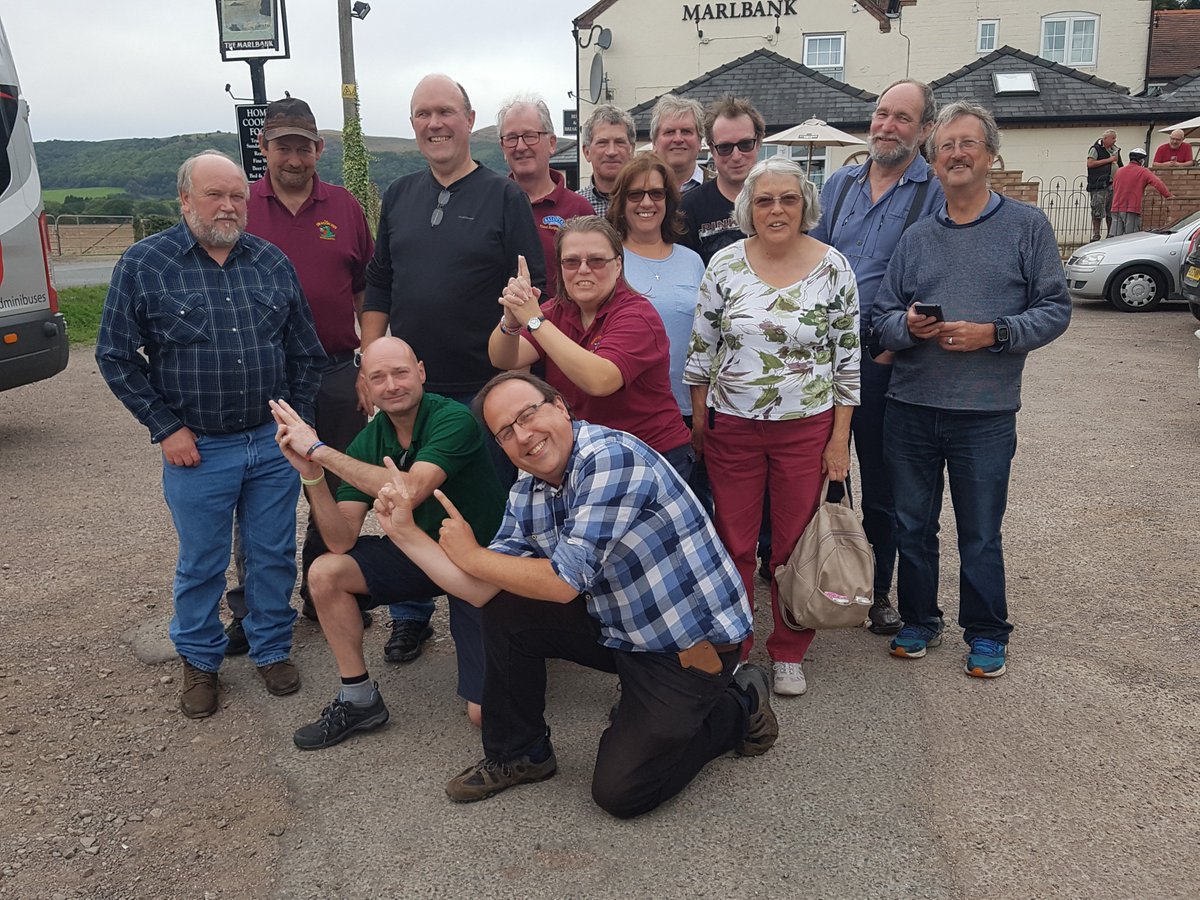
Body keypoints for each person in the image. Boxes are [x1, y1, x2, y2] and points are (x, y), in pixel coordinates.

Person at [373, 371, 778, 817]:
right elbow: (480, 588)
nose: (524, 436)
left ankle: (738, 704)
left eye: (529, 414)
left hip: (687, 647)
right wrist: (406, 535)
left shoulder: (609, 458)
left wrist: (470, 554)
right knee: (506, 605)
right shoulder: (527, 490)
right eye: (506, 432)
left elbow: (563, 583)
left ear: (561, 406)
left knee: (622, 793)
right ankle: (520, 754)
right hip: (621, 626)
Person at [96, 150, 325, 718]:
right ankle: (200, 659)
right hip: (197, 447)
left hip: (269, 445)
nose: (228, 206)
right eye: (214, 195)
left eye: (237, 196)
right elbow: (116, 356)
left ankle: (271, 647)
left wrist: (292, 423)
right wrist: (166, 427)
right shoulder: (145, 264)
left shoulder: (271, 262)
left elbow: (307, 355)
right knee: (202, 560)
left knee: (271, 555)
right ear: (185, 201)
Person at [225, 96, 432, 665]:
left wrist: (368, 360)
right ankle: (253, 607)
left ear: (319, 148)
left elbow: (367, 289)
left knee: (337, 485)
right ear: (263, 149)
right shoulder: (243, 205)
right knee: (262, 494)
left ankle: (324, 587)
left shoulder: (342, 206)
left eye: (304, 145)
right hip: (265, 374)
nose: (294, 156)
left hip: (337, 367)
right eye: (282, 145)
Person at [870, 101, 1071, 679]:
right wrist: (907, 328)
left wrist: (997, 333)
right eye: (946, 146)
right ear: (932, 162)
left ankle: (985, 631)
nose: (956, 154)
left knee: (980, 532)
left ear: (991, 155)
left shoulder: (1027, 227)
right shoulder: (916, 237)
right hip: (910, 406)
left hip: (984, 412)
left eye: (968, 144)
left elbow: (1055, 310)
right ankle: (919, 619)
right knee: (913, 525)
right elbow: (881, 317)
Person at [271, 338, 505, 746]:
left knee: (484, 714)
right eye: (378, 377)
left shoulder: (454, 418)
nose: (391, 384)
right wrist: (311, 473)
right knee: (326, 571)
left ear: (421, 372)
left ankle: (525, 638)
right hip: (420, 555)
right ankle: (359, 699)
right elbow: (341, 539)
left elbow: (409, 490)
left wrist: (321, 449)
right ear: (365, 385)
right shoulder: (367, 442)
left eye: (400, 372)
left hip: (480, 563)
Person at [684, 157, 860, 698]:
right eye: (764, 200)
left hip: (805, 428)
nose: (776, 209)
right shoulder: (724, 266)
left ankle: (788, 650)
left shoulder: (834, 268)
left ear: (805, 205)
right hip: (731, 426)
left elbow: (847, 361)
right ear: (748, 209)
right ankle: (735, 646)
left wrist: (838, 439)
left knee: (790, 546)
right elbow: (701, 350)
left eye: (787, 199)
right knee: (732, 542)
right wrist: (699, 420)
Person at [809, 79, 945, 636]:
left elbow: (936, 273)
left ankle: (879, 592)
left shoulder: (932, 191)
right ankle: (818, 573)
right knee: (822, 474)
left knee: (885, 485)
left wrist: (890, 346)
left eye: (903, 119)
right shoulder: (839, 184)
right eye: (882, 114)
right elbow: (812, 256)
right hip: (825, 355)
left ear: (925, 130)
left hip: (886, 359)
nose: (887, 126)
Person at [361, 73, 546, 409]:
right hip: (409, 391)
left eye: (446, 112)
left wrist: (516, 385)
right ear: (413, 123)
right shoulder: (397, 195)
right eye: (423, 114)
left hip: (485, 390)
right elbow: (380, 282)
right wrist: (370, 363)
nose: (434, 124)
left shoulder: (505, 197)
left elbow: (535, 294)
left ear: (470, 119)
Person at [487, 217, 694, 477]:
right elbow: (504, 358)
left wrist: (534, 320)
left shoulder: (638, 315)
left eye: (596, 261)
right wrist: (511, 319)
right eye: (572, 262)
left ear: (618, 265)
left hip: (650, 457)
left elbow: (600, 381)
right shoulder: (557, 312)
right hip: (589, 457)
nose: (583, 270)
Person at [606, 152, 709, 506]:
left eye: (656, 193)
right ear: (621, 202)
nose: (646, 202)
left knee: (683, 512)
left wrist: (700, 411)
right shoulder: (608, 259)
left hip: (682, 409)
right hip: (625, 410)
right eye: (635, 194)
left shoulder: (691, 260)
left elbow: (705, 340)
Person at [497, 94, 595, 299]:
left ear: (551, 143)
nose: (521, 146)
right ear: (503, 148)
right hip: (503, 329)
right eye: (512, 138)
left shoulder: (579, 210)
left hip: (562, 330)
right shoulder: (489, 206)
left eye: (530, 136)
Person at [680, 95, 765, 265]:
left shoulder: (782, 200)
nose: (736, 156)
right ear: (711, 148)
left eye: (745, 144)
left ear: (758, 142)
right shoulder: (689, 208)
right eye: (725, 147)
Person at [579, 104, 636, 217]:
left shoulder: (647, 203)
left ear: (632, 149)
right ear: (587, 152)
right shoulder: (573, 206)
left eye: (619, 142)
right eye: (602, 143)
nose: (611, 152)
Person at [650, 94, 709, 195]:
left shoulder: (721, 188)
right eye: (670, 132)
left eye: (686, 131)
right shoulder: (637, 189)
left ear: (700, 142)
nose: (678, 139)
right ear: (654, 143)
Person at [1110, 148, 1173, 236]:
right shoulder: (1143, 171)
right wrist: (1169, 196)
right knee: (1131, 238)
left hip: (1116, 208)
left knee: (1115, 238)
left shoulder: (1119, 171)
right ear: (1141, 160)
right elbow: (1158, 183)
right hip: (1131, 209)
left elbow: (1114, 186)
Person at [1086, 129, 1122, 241]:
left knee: (1111, 210)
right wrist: (1108, 160)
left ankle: (1110, 234)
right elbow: (1090, 163)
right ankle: (1096, 234)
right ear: (1105, 139)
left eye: (1115, 138)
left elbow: (1119, 165)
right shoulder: (1095, 149)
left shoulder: (1115, 151)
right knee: (1097, 210)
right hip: (1099, 185)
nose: (1115, 141)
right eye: (1113, 138)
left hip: (1112, 184)